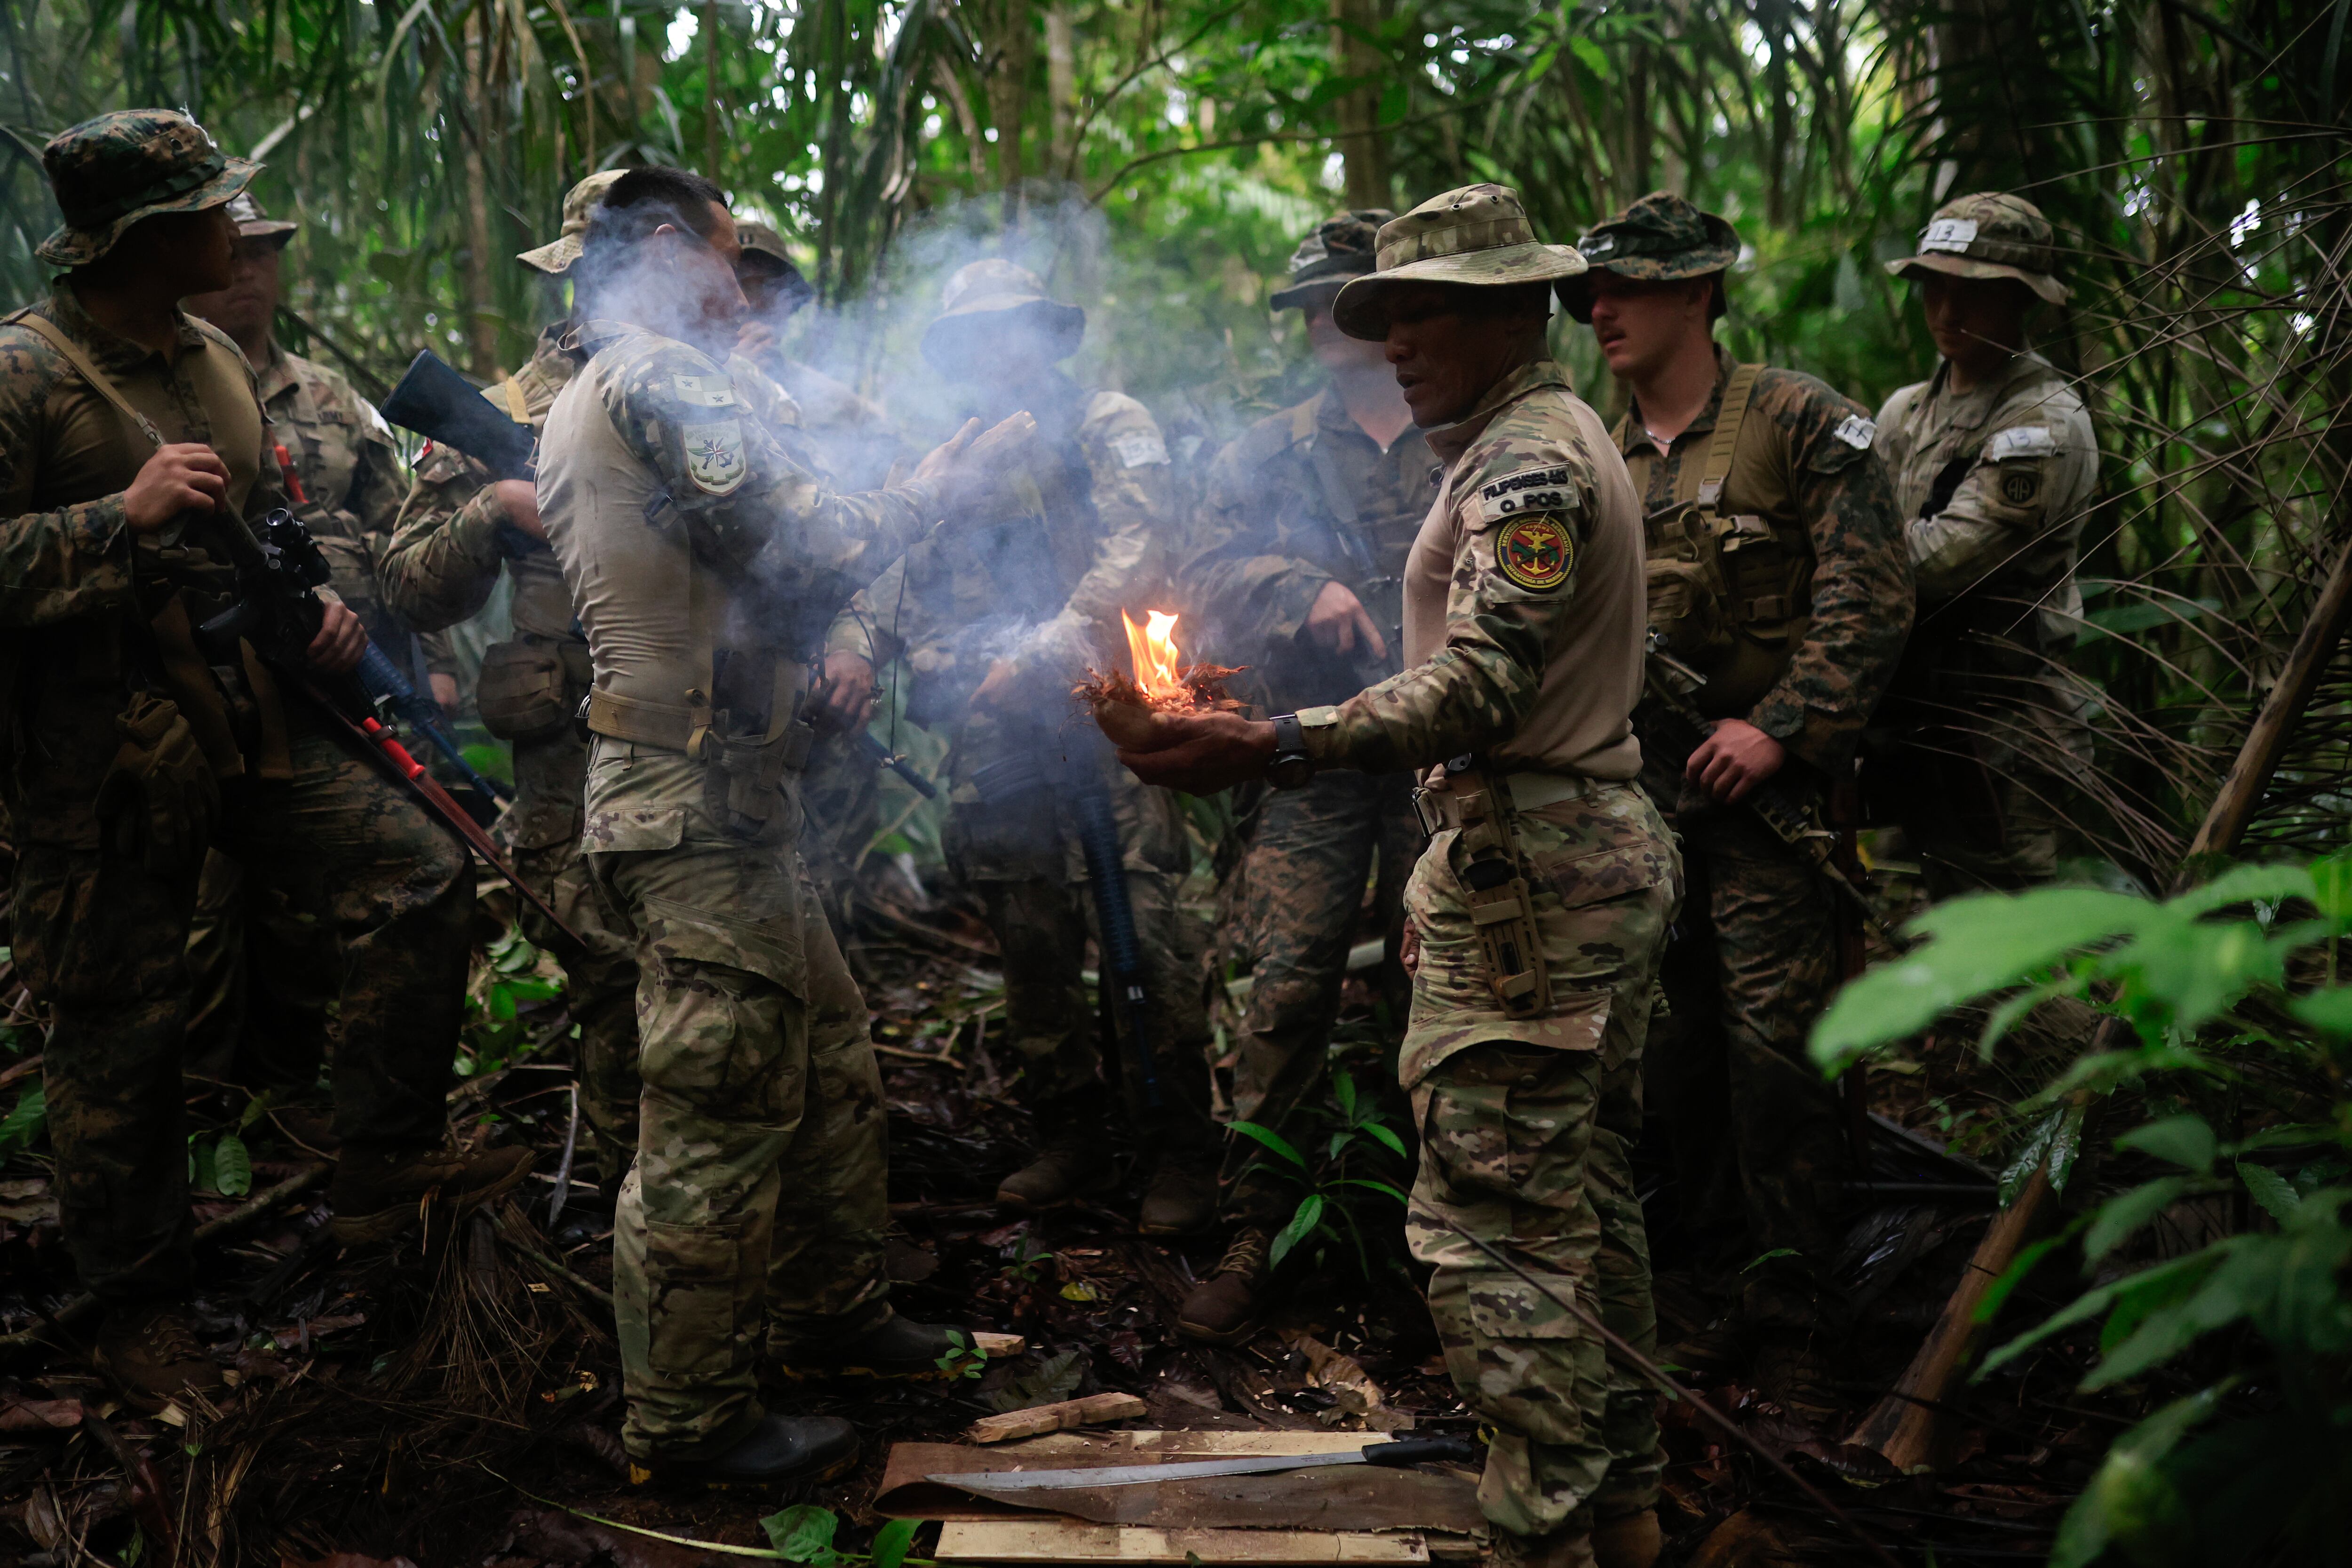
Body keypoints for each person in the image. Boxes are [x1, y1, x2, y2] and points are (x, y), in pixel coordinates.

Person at [1118, 185, 1681, 1568]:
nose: (1389, 340)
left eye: (1416, 310)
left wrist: (1274, 740)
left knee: (1498, 1236)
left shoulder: (1527, 465)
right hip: (1535, 857)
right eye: (1375, 315)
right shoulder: (1525, 441)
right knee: (1579, 1204)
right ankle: (1629, 1512)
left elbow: (1485, 683)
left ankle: (1541, 1531)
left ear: (1505, 310)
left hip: (1539, 861)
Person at [0, 109, 528, 1412]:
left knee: (417, 867)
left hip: (253, 714)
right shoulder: (25, 374)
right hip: (99, 756)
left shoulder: (216, 366)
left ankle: (379, 1184)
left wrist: (323, 614)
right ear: (139, 236)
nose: (238, 230)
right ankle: (139, 1304)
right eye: (212, 210)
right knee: (120, 1024)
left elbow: (262, 531)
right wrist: (107, 522)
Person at [534, 166, 1014, 1485]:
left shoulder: (632, 381)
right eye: (729, 254)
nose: (740, 282)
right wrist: (936, 487)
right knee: (714, 1115)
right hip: (690, 802)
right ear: (680, 248)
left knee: (829, 1048)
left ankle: (831, 1310)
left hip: (720, 797)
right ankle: (688, 1422)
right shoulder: (657, 377)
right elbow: (803, 545)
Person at [1559, 191, 1913, 1391]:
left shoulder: (1798, 419)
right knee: (1671, 1048)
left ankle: (1798, 1310)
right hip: (1642, 801)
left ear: (1699, 291)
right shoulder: (1595, 455)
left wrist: (1780, 730)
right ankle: (1706, 1281)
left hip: (1772, 801)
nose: (1596, 310)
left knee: (1777, 1047)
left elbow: (1874, 594)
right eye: (1585, 294)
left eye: (1625, 287)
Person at [826, 260, 1223, 1235]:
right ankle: (1070, 1133)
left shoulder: (1105, 423)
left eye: (1014, 331)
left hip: (1114, 719)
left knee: (1152, 927)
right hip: (995, 734)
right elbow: (891, 573)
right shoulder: (944, 453)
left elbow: (1142, 546)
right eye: (975, 337)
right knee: (1031, 936)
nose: (996, 353)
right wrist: (877, 655)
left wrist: (1040, 653)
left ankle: (1179, 1144)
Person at [1172, 209, 1433, 1342]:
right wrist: (1298, 588)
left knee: (1444, 990)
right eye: (1310, 308)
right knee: (1281, 987)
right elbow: (1202, 567)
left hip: (1445, 758)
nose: (1325, 324)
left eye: (1344, 302)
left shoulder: (1465, 431)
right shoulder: (1263, 453)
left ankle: (1434, 1240)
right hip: (1307, 757)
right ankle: (1255, 1229)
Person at [380, 169, 639, 1185]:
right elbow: (408, 587)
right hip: (573, 743)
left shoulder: (717, 388)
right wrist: (494, 511)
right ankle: (628, 1198)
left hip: (710, 726)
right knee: (612, 969)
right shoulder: (511, 409)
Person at [179, 191, 457, 1133]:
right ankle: (213, 1116)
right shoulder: (173, 385)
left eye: (268, 253)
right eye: (238, 251)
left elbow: (403, 532)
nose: (252, 270)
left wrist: (438, 667)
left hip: (353, 674)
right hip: (225, 688)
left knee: (339, 895)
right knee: (217, 911)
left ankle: (298, 1104)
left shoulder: (333, 397)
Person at [1875, 192, 2096, 895]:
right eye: (1934, 286)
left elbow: (1948, 561)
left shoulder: (2044, 421)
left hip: (2003, 739)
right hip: (1909, 723)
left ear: (2020, 299)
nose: (1947, 310)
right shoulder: (1906, 411)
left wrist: (1846, 559)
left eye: (1971, 291)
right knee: (1904, 939)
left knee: (2005, 971)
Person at [731, 222, 914, 935]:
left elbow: (891, 543)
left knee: (826, 902)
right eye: (741, 290)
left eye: (772, 296)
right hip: (716, 700)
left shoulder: (844, 411)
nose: (755, 310)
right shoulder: (671, 398)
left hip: (827, 698)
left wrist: (865, 648)